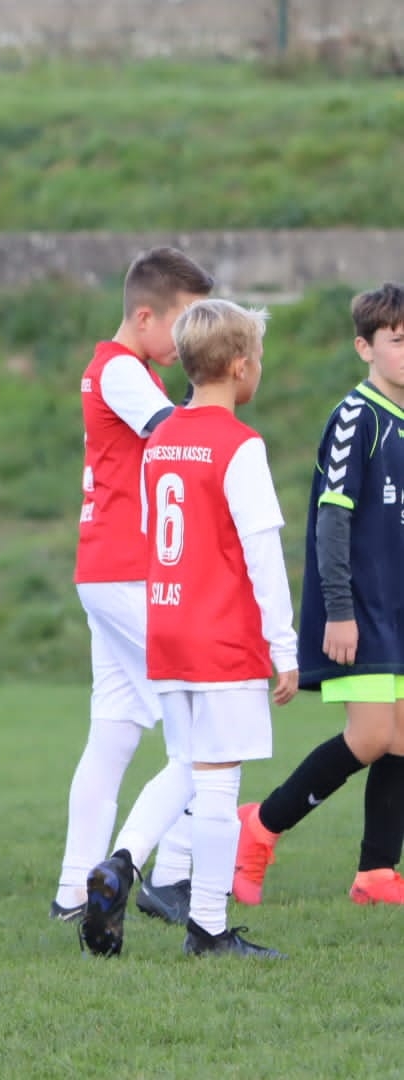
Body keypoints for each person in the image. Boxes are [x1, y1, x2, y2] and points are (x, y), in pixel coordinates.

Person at [80, 299, 296, 959]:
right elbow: (262, 552)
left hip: (168, 625)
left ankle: (120, 863)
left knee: (186, 763)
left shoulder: (161, 439)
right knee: (219, 780)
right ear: (240, 366)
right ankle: (208, 927)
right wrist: (284, 645)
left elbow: (153, 530)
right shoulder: (241, 445)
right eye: (258, 358)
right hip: (221, 632)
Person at [51, 247, 215, 924]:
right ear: (144, 316)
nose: (190, 339)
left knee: (115, 733)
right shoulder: (120, 369)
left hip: (109, 570)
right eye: (184, 322)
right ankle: (165, 872)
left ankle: (73, 889)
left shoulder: (127, 369)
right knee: (206, 724)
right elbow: (176, 439)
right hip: (129, 572)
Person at [234, 283, 404, 907]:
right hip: (359, 608)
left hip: (398, 608)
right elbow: (332, 520)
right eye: (397, 341)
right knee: (371, 735)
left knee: (402, 737)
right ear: (364, 348)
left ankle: (377, 873)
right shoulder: (357, 417)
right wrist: (338, 609)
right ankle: (260, 825)